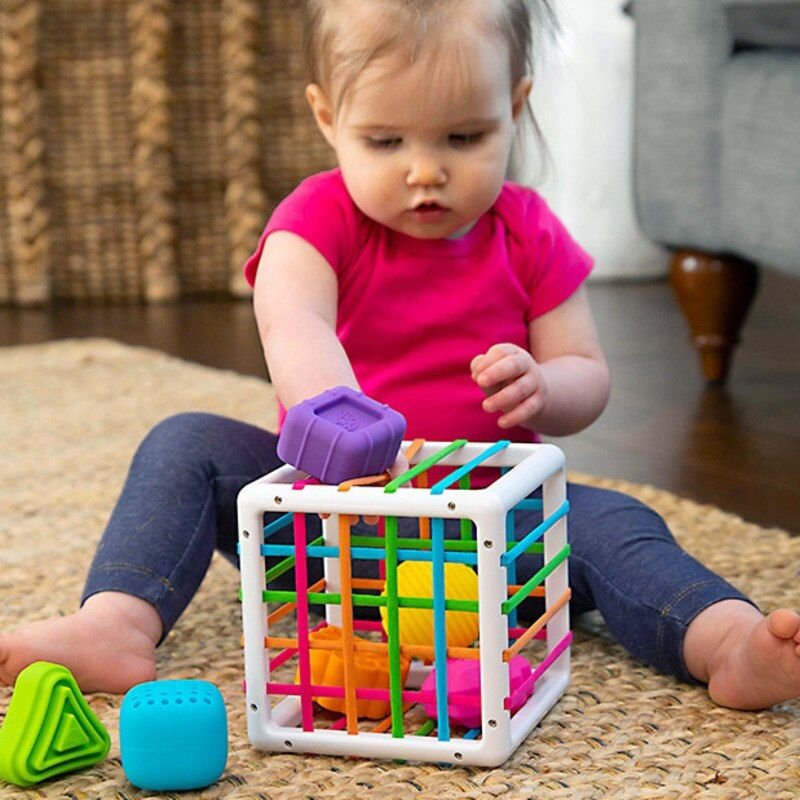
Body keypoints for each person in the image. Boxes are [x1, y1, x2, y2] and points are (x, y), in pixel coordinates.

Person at [1, 0, 799, 711]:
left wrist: (544, 385)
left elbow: (587, 375)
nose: (425, 170)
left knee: (618, 521)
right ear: (327, 119)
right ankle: (116, 622)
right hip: (326, 537)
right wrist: (338, 421)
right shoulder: (316, 217)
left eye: (464, 137)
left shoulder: (528, 230)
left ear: (515, 108)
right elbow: (292, 320)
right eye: (384, 141)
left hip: (490, 544)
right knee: (184, 444)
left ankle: (725, 640)